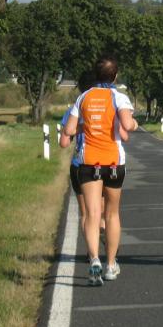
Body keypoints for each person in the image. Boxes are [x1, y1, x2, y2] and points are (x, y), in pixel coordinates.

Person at [63, 56, 137, 286]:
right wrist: (134, 124)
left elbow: (69, 130)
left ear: (96, 75)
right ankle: (111, 265)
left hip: (88, 162)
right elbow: (127, 125)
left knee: (92, 215)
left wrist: (88, 126)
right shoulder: (119, 97)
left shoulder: (84, 97)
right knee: (112, 214)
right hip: (114, 163)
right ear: (115, 76)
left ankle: (94, 259)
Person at [59, 71, 129, 260]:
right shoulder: (109, 105)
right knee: (106, 210)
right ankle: (106, 234)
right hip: (107, 161)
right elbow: (124, 134)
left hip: (81, 164)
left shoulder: (74, 108)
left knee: (87, 213)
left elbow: (64, 142)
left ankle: (92, 254)